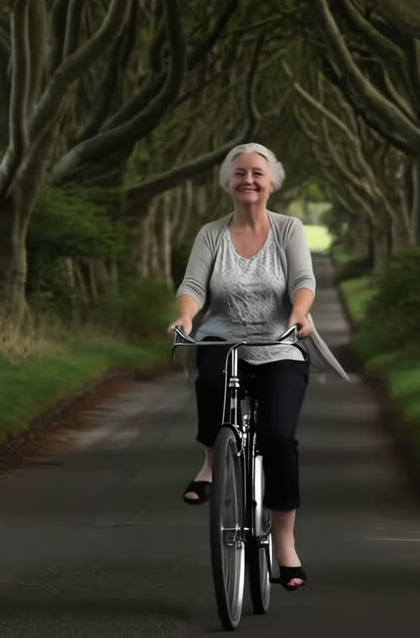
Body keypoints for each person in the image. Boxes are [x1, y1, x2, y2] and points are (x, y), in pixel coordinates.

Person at [167, 142, 347, 591]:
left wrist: (299, 314)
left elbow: (303, 281)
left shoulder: (288, 229)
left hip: (279, 341)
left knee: (278, 438)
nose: (248, 179)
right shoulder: (211, 233)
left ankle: (284, 540)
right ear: (228, 182)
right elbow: (193, 284)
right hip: (222, 334)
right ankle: (211, 462)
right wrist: (186, 317)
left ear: (271, 183)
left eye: (257, 173)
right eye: (240, 172)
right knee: (210, 381)